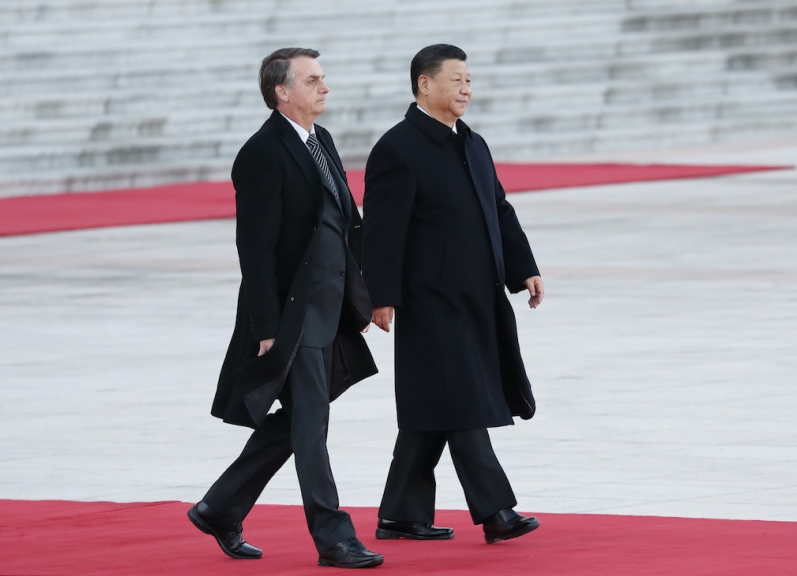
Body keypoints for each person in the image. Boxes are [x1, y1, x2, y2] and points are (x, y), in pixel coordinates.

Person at [188, 47, 383, 569]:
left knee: (302, 421)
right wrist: (268, 327)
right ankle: (334, 538)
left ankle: (219, 507)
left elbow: (347, 223)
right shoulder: (261, 153)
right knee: (310, 428)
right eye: (313, 80)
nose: (325, 87)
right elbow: (253, 251)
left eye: (323, 78)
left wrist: (374, 295)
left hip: (331, 308)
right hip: (292, 317)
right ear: (282, 92)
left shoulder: (321, 141)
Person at [362, 44, 546, 545]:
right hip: (430, 301)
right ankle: (496, 511)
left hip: (478, 298)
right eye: (457, 79)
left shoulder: (472, 143)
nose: (467, 89)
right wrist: (381, 297)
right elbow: (379, 233)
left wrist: (523, 268)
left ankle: (400, 514)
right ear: (425, 84)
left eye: (470, 80)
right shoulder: (397, 148)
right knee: (462, 400)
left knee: (433, 408)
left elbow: (499, 209)